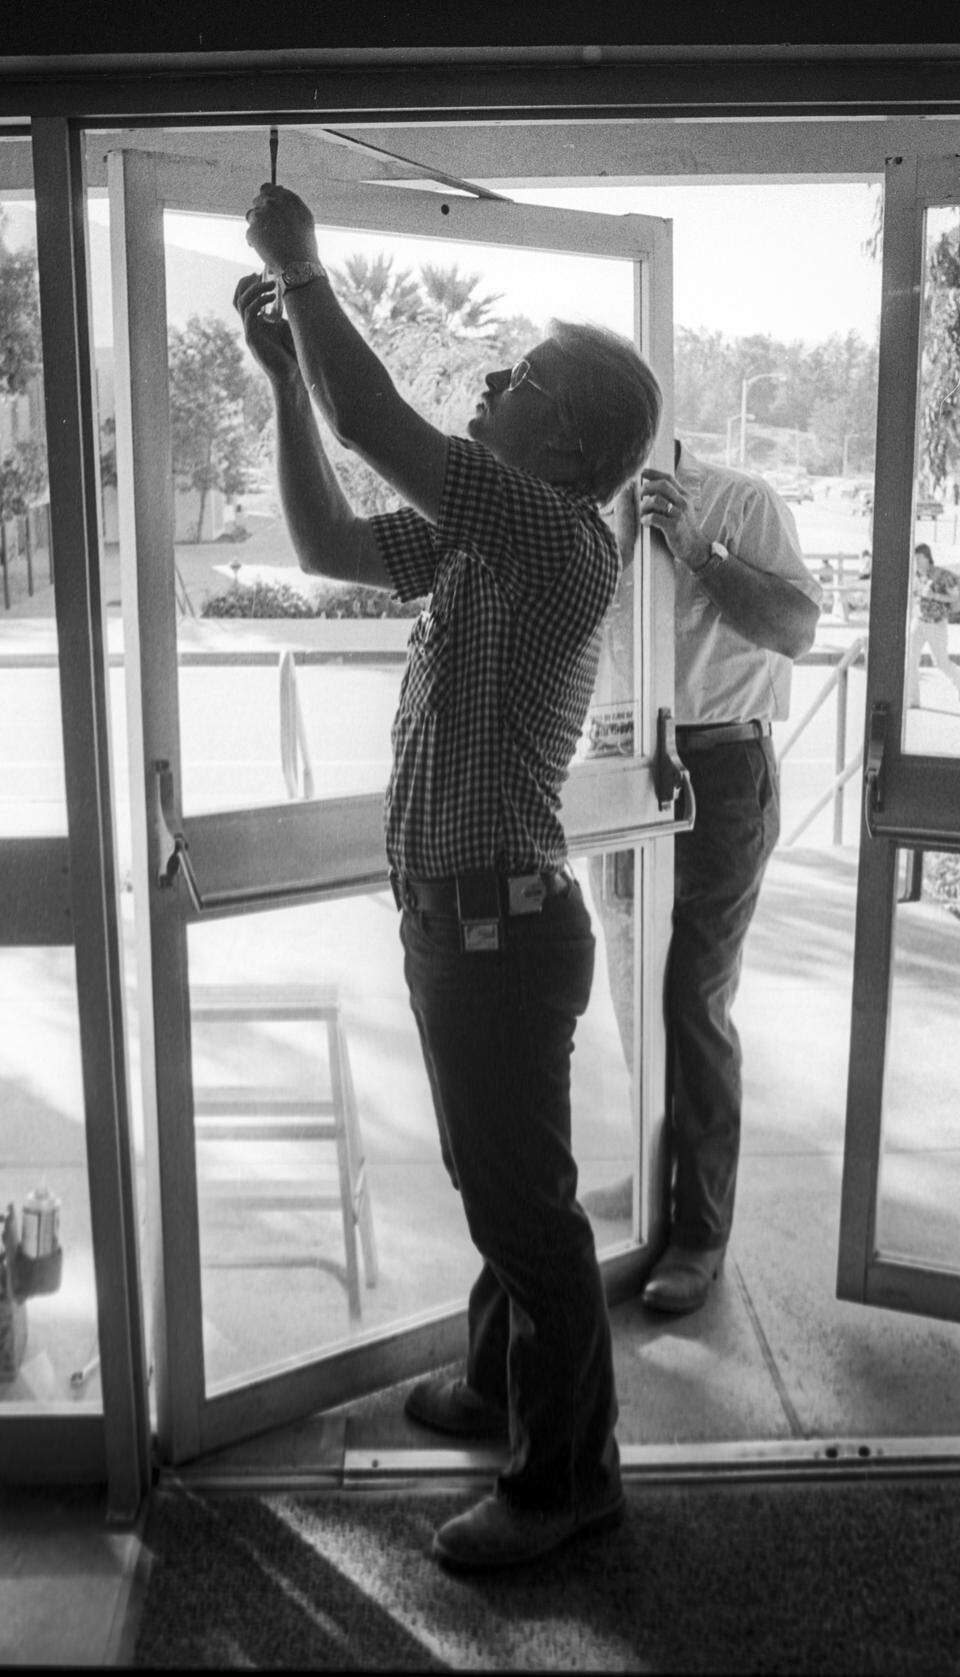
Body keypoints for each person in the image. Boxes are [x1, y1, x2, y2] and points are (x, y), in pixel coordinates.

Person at [236, 180, 662, 1572]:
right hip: (461, 930)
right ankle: (496, 1382)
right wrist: (291, 388)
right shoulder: (481, 544)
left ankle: (568, 1480)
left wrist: (303, 274)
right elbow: (324, 544)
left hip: (501, 936)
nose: (490, 377)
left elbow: (382, 424)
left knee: (527, 1211)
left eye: (520, 375)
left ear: (571, 442)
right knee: (499, 1183)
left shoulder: (554, 539)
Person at [587, 443, 822, 1313]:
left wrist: (700, 552)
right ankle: (653, 1193)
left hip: (720, 774)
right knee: (631, 991)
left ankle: (699, 1231)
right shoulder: (583, 504)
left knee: (693, 999)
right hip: (616, 769)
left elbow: (798, 630)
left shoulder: (741, 500)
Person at [907, 541, 960, 706]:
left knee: (940, 662)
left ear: (927, 558)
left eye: (918, 558)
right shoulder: (915, 576)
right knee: (910, 661)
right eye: (914, 558)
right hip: (918, 623)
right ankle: (914, 700)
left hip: (937, 624)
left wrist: (935, 596)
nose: (915, 562)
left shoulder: (941, 575)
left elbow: (955, 597)